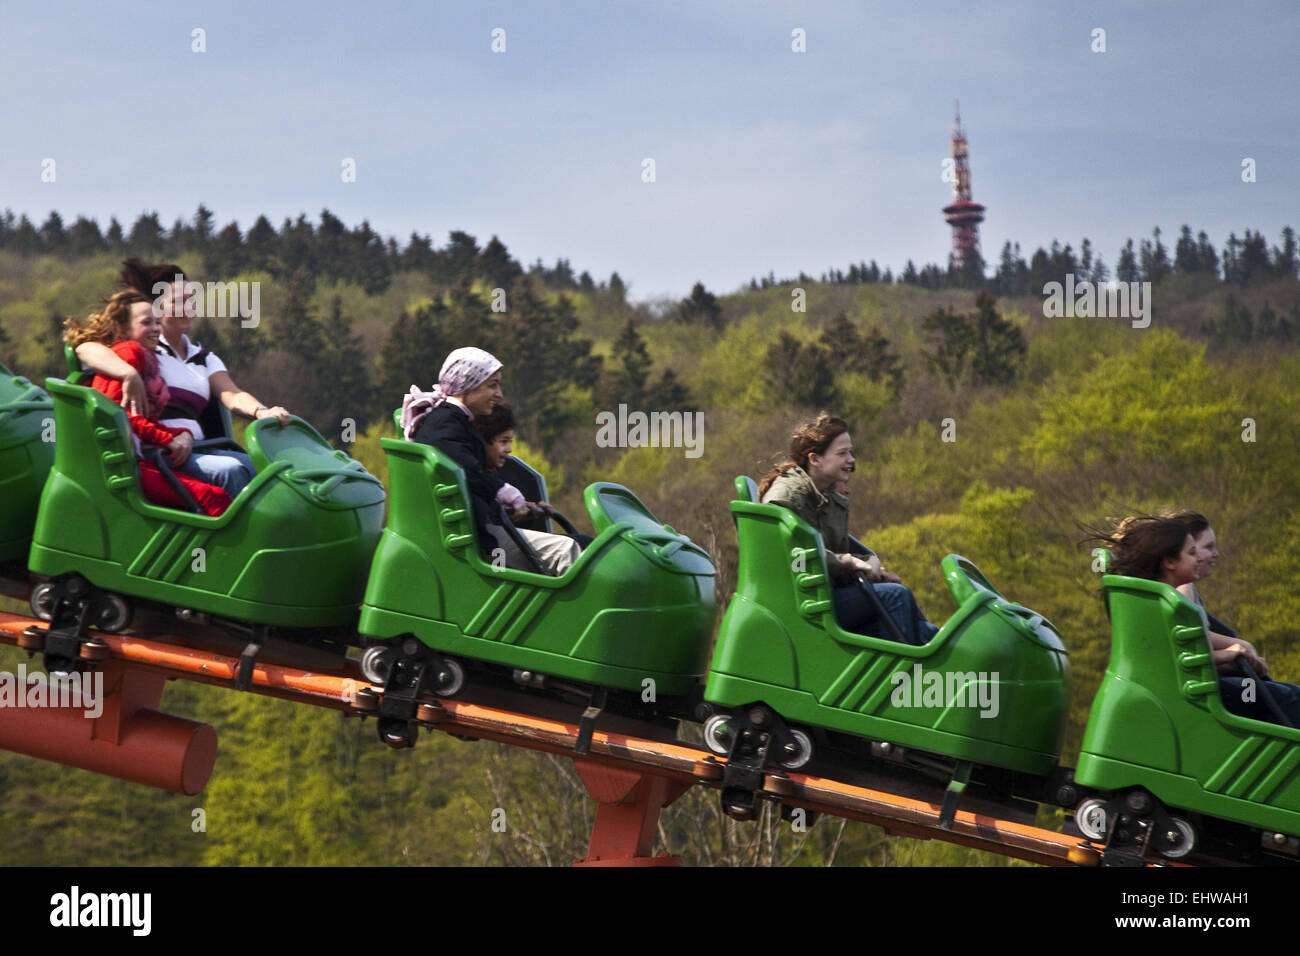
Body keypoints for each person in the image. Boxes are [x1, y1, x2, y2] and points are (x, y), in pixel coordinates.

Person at [73, 259, 289, 498]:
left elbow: (232, 394)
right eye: (179, 301)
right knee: (231, 471)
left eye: (192, 300)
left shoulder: (204, 358)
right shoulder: (143, 349)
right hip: (164, 451)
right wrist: (128, 373)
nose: (189, 307)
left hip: (203, 448)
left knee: (269, 470)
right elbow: (86, 349)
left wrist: (262, 412)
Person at [1092, 514, 1300, 728]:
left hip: (1189, 688)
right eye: (1192, 553)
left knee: (1278, 693)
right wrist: (1231, 653)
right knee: (1284, 698)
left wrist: (1234, 654)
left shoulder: (1164, 599)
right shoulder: (1170, 604)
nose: (1198, 559)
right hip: (1189, 695)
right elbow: (1179, 657)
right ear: (1170, 562)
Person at [757, 413, 939, 645]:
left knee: (916, 618)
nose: (851, 460)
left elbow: (832, 547)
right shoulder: (787, 497)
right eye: (842, 454)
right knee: (897, 597)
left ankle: (944, 658)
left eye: (850, 452)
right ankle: (905, 676)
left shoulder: (826, 494)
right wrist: (851, 563)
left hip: (822, 592)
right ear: (815, 459)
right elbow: (790, 554)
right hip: (804, 602)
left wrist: (870, 563)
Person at [401, 347, 580, 575]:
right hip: (475, 540)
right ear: (469, 386)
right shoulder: (445, 424)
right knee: (565, 551)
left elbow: (469, 485)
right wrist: (504, 491)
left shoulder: (451, 421)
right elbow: (465, 471)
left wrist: (518, 508)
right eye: (492, 385)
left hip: (473, 531)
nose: (499, 394)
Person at [62, 291, 231, 517]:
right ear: (123, 329)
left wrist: (181, 433)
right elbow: (120, 418)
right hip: (127, 468)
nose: (155, 329)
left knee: (223, 485)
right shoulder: (128, 354)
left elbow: (141, 420)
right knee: (214, 497)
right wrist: (168, 439)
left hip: (141, 461)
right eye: (146, 323)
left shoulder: (147, 357)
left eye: (156, 322)